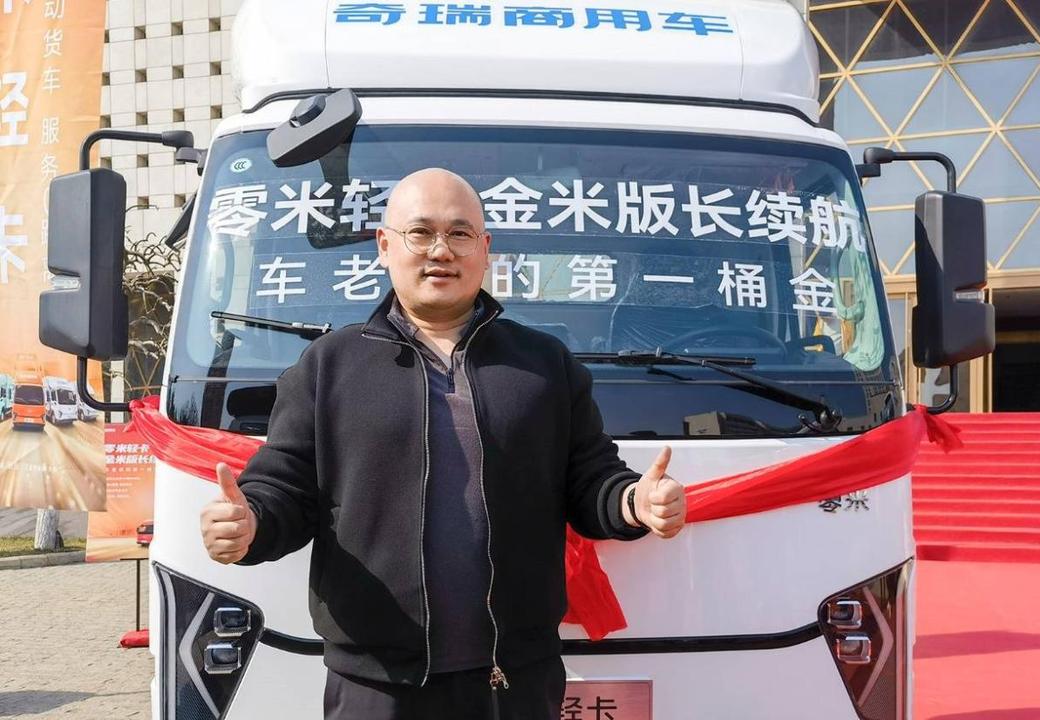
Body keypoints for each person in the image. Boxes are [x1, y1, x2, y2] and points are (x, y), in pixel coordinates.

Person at [199, 168, 688, 719]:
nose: (441, 251)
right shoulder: (329, 366)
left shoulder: (543, 365)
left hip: (516, 677)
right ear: (384, 246)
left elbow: (591, 479)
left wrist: (634, 502)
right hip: (376, 683)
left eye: (459, 233)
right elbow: (284, 488)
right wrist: (251, 524)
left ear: (485, 249)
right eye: (420, 232)